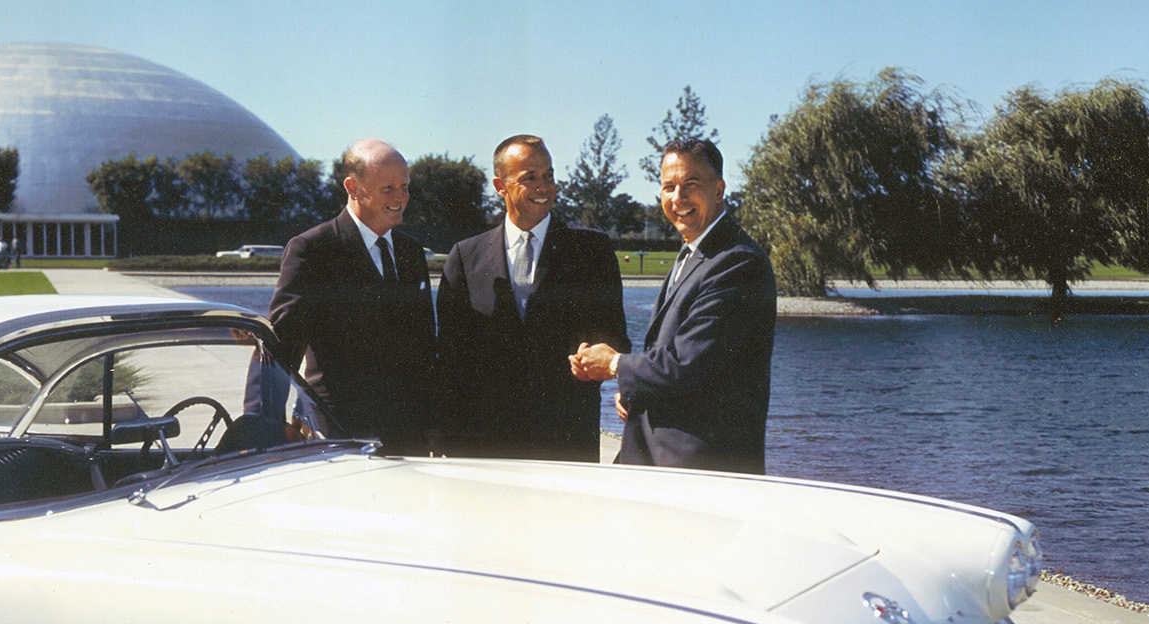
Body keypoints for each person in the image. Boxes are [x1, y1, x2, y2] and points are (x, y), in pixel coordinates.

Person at [571, 138, 776, 473]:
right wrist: (636, 392)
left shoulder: (738, 262)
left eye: (691, 185)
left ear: (719, 189)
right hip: (662, 459)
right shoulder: (694, 251)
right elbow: (679, 357)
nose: (678, 198)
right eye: (669, 187)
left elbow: (687, 362)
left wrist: (615, 366)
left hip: (704, 468)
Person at [436, 135, 629, 461]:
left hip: (566, 442)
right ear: (501, 185)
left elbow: (617, 339)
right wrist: (444, 443)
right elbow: (450, 363)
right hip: (484, 446)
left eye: (549, 176)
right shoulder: (465, 258)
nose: (545, 187)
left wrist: (593, 357)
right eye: (530, 178)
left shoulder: (592, 252)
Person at [268, 139, 436, 453]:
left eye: (405, 186)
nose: (401, 197)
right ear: (353, 187)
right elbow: (282, 347)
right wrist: (263, 423)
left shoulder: (411, 253)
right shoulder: (314, 250)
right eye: (388, 188)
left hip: (409, 434)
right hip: (340, 432)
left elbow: (425, 346)